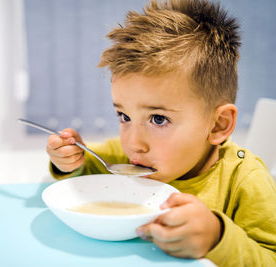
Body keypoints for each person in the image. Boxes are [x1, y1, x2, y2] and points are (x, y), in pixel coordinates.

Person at [45, 0, 276, 266]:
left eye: (158, 119)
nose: (133, 144)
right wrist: (70, 160)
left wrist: (217, 237)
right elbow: (89, 170)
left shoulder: (245, 181)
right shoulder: (133, 158)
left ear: (218, 125)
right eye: (125, 116)